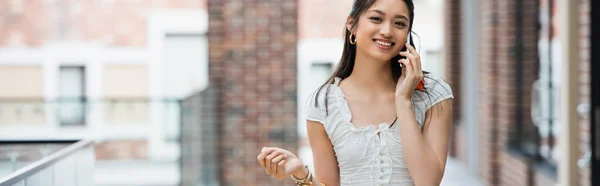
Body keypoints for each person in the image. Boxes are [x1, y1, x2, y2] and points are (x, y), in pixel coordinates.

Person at [257, 0, 454, 185]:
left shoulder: (432, 93)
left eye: (399, 23)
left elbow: (428, 181)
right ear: (352, 25)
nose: (387, 31)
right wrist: (301, 173)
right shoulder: (324, 103)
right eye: (376, 19)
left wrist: (403, 101)